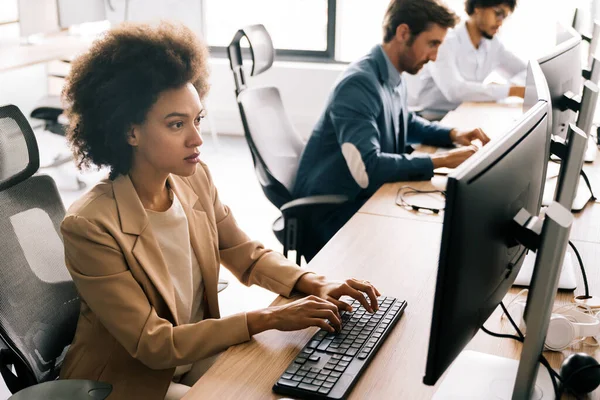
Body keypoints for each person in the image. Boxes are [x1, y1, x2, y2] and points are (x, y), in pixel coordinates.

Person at [58, 22, 381, 400]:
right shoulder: (90, 225)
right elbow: (153, 344)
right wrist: (269, 318)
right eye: (176, 124)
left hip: (195, 352)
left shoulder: (193, 181)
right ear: (130, 132)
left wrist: (315, 282)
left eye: (197, 120)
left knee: (299, 381)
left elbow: (246, 254)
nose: (196, 139)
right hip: (129, 379)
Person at [293, 0, 489, 260]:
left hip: (366, 198)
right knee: (424, 248)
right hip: (333, 213)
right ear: (404, 33)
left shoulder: (391, 74)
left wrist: (452, 135)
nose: (434, 56)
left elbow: (404, 121)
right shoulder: (359, 84)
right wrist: (442, 160)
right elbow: (368, 167)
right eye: (432, 44)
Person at [413, 0, 526, 120]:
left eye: (505, 17)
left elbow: (526, 72)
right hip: (432, 118)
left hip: (466, 113)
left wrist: (509, 87)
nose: (500, 22)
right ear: (478, 7)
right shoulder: (446, 41)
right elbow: (454, 91)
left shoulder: (493, 44)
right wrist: (509, 90)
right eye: (498, 13)